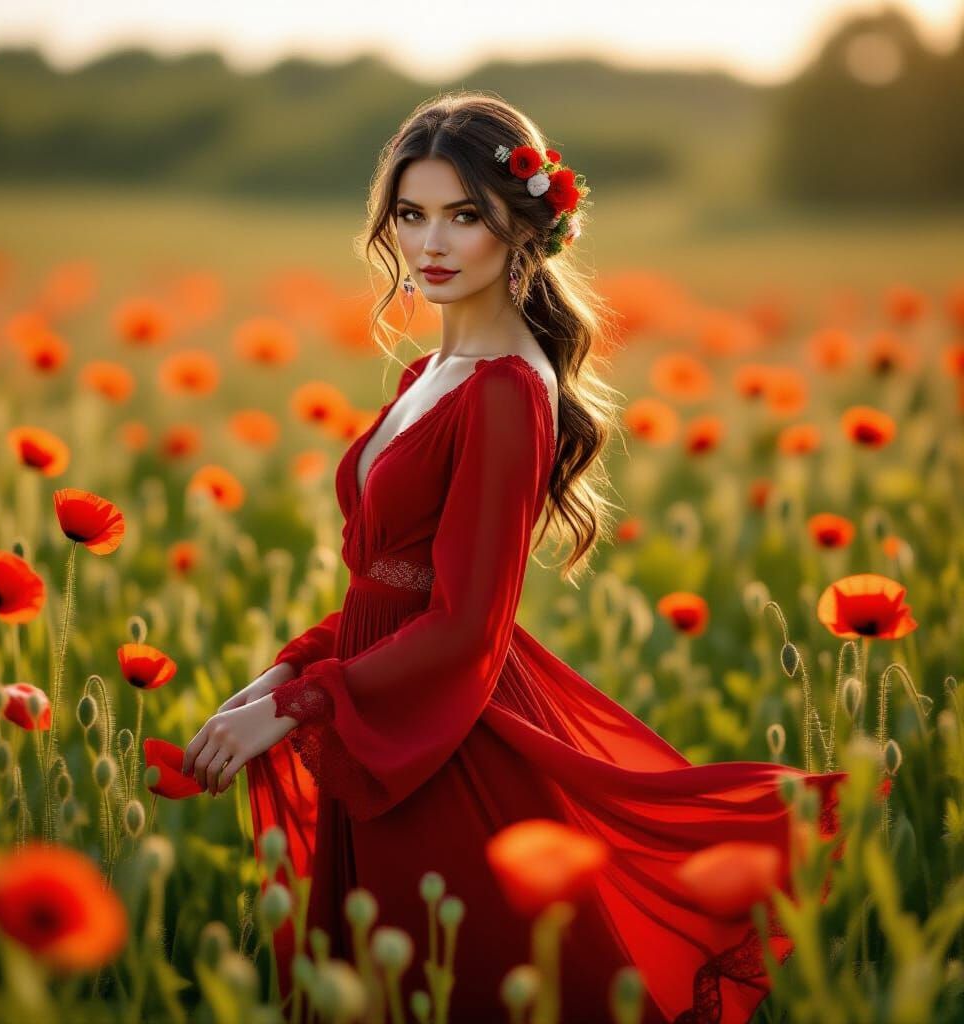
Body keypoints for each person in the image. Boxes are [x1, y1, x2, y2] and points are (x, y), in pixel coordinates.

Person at [181, 92, 847, 1023]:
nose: (431, 244)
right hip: (377, 718)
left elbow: (463, 626)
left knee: (446, 985)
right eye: (411, 216)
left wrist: (302, 706)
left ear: (524, 227)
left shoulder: (505, 393)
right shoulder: (430, 374)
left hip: (437, 745)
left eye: (465, 216)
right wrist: (279, 681)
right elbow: (393, 586)